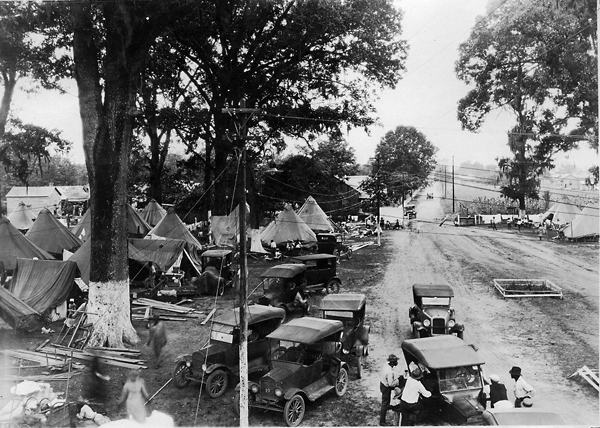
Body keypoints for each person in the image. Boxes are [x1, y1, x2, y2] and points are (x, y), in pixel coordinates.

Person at [379, 354, 401, 426]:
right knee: (384, 403)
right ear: (392, 363)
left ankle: (387, 406)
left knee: (386, 401)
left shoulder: (386, 364)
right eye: (395, 361)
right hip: (386, 387)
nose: (396, 363)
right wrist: (397, 380)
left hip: (382, 383)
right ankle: (382, 421)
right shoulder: (389, 372)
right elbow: (391, 384)